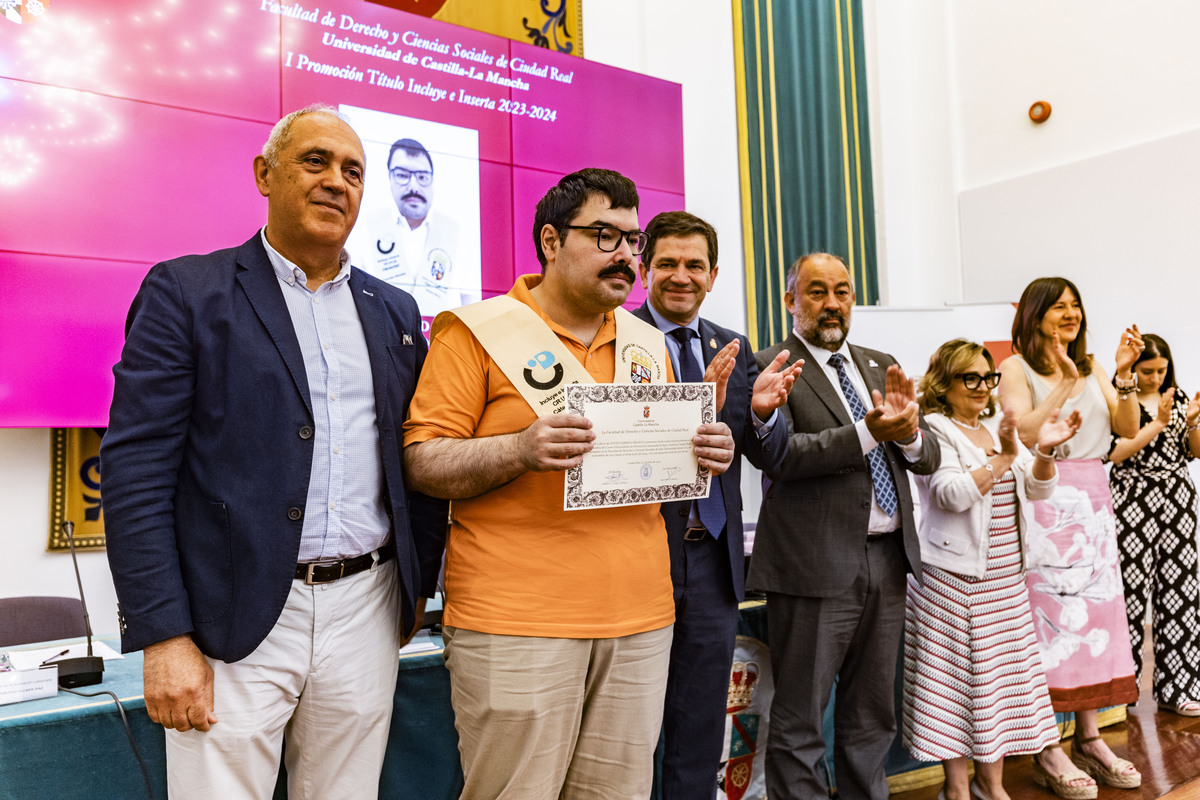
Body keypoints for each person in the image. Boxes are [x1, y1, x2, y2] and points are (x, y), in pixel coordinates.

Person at [100, 105, 448, 799]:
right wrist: (164, 635)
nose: (336, 182)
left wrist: (418, 583)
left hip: (367, 606)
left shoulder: (396, 312)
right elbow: (135, 471)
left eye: (352, 170)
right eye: (314, 162)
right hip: (231, 612)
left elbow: (414, 459)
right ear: (265, 174)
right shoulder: (186, 292)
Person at [402, 169, 738, 799]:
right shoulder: (473, 332)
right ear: (551, 241)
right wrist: (518, 449)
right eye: (604, 235)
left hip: (641, 618)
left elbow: (655, 471)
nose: (624, 256)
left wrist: (703, 449)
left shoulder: (648, 344)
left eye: (632, 241)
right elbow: (422, 461)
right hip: (516, 621)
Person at [751, 252, 940, 800]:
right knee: (801, 720)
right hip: (812, 566)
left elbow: (924, 458)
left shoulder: (881, 364)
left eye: (842, 291)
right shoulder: (769, 366)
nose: (831, 304)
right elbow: (782, 456)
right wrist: (869, 431)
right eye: (816, 292)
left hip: (887, 562)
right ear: (790, 300)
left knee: (872, 715)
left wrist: (905, 434)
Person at [632, 210, 801, 799]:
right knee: (631, 729)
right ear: (643, 267)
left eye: (694, 265)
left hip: (713, 566)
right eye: (668, 264)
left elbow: (766, 454)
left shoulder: (732, 345)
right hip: (639, 559)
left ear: (713, 274)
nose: (682, 276)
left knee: (700, 725)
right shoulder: (617, 341)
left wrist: (759, 411)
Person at [906, 339, 1086, 800]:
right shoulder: (934, 428)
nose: (984, 388)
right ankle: (958, 789)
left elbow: (1039, 490)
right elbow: (949, 494)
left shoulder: (993, 427)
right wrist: (1005, 457)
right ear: (944, 383)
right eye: (972, 378)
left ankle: (992, 786)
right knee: (954, 689)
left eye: (989, 378)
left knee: (996, 691)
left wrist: (1043, 452)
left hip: (1005, 583)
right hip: (951, 581)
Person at [997, 276, 1142, 795]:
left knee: (1096, 618)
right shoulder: (1015, 367)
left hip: (1094, 501)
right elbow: (1025, 434)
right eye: (1059, 306)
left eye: (1076, 305)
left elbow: (1127, 426)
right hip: (1044, 500)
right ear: (1035, 316)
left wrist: (1122, 375)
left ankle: (1089, 736)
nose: (1071, 314)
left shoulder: (1093, 365)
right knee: (1050, 625)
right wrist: (1059, 382)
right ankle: (1047, 748)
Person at [1108, 333, 1200, 717]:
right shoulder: (1117, 397)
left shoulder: (1177, 397)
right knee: (1128, 594)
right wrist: (1159, 423)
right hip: (1131, 497)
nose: (1155, 378)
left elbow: (1194, 452)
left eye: (1161, 370)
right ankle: (1122, 690)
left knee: (1181, 591)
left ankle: (1180, 686)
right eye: (1148, 371)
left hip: (1177, 497)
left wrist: (1192, 424)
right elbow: (1115, 453)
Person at [367, 137, 463, 313]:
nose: (414, 187)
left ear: (432, 180)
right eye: (403, 175)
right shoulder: (365, 229)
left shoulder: (458, 232)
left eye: (422, 177)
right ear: (390, 177)